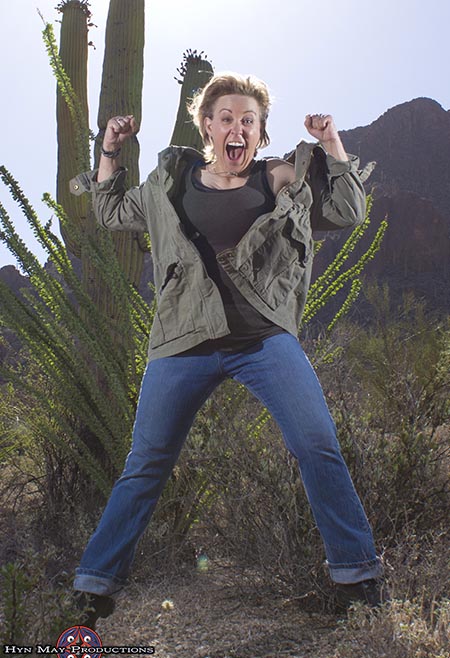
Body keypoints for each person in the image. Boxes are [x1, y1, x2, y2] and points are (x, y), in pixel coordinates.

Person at [70, 72, 385, 627]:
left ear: (260, 132)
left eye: (248, 120)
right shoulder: (171, 183)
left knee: (317, 445)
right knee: (146, 464)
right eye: (226, 118)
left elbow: (346, 211)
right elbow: (112, 212)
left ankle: (357, 579)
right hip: (184, 340)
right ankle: (93, 587)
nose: (236, 128)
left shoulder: (279, 177)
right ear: (207, 126)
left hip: (263, 339)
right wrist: (111, 150)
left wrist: (333, 143)